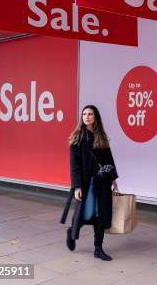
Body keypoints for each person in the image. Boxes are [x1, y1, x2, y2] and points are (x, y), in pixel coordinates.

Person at [62, 105, 119, 261]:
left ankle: (98, 248)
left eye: (90, 114)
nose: (86, 116)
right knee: (86, 214)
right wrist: (77, 186)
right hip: (86, 184)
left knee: (100, 215)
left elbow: (109, 160)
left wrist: (113, 179)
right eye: (84, 114)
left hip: (102, 183)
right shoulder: (77, 137)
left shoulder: (101, 136)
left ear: (95, 117)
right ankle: (71, 231)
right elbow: (74, 165)